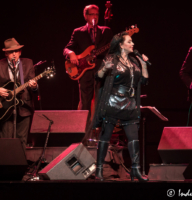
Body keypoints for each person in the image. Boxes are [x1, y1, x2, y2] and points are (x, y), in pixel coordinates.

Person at [91, 32, 149, 181]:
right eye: (129, 42)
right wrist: (105, 69)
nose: (133, 44)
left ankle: (135, 170)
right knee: (106, 136)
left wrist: (143, 65)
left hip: (129, 104)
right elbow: (98, 76)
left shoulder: (134, 62)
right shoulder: (111, 59)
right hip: (113, 102)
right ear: (121, 45)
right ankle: (98, 170)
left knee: (133, 138)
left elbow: (143, 81)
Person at [63, 4, 113, 135]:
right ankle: (85, 136)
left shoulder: (106, 31)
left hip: (101, 72)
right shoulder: (78, 32)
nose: (95, 17)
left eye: (97, 14)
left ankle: (100, 137)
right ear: (85, 16)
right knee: (85, 105)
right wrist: (71, 54)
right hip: (85, 72)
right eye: (91, 14)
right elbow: (67, 48)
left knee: (101, 104)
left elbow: (111, 50)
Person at [0, 38, 37, 149]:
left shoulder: (28, 63)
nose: (14, 54)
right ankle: (6, 165)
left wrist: (34, 86)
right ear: (6, 53)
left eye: (16, 51)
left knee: (22, 141)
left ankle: (21, 166)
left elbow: (33, 85)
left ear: (20, 52)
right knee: (6, 142)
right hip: (5, 109)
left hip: (24, 108)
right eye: (11, 52)